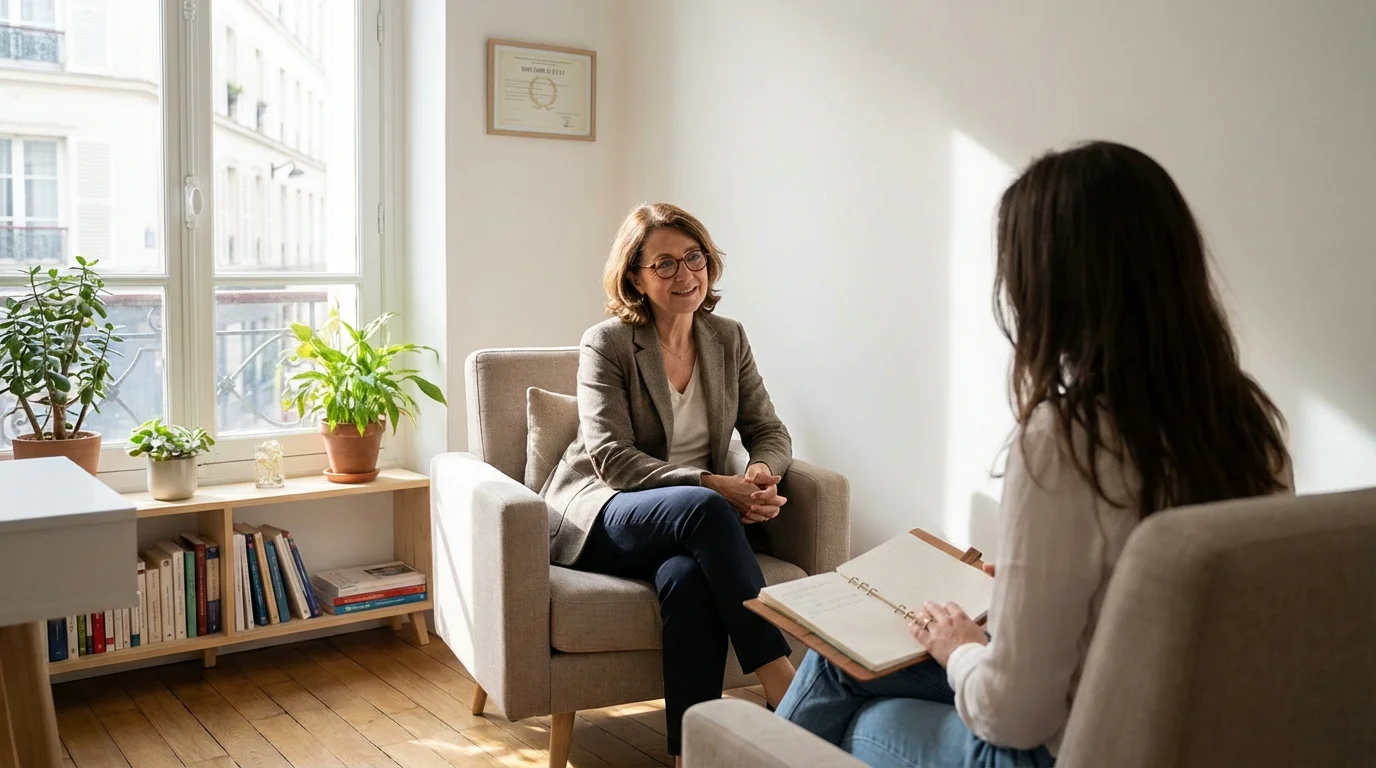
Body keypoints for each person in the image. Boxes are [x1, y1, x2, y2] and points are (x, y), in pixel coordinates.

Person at [775, 141, 1293, 767]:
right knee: (843, 665)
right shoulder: (1249, 424)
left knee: (866, 708)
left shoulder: (1065, 440)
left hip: (1066, 750)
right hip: (1191, 740)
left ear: (1050, 286)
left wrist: (960, 646)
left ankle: (736, 752)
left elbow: (1014, 715)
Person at [542, 202, 799, 761]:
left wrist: (759, 472)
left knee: (686, 580)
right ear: (634, 276)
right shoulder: (607, 343)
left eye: (694, 258)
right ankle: (784, 685)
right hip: (607, 510)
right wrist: (713, 482)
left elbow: (770, 431)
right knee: (705, 507)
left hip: (686, 529)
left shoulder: (727, 338)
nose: (685, 275)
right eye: (664, 264)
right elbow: (612, 458)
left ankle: (689, 753)